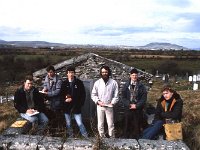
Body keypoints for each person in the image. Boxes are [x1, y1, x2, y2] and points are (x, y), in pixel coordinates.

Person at [91, 65, 119, 138]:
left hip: (109, 106)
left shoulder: (113, 83)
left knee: (110, 124)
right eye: (103, 72)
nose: (104, 73)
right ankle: (102, 139)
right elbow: (93, 95)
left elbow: (116, 95)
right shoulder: (97, 83)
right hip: (100, 106)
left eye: (106, 72)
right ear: (101, 73)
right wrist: (98, 101)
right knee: (100, 124)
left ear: (108, 72)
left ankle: (112, 139)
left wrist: (112, 103)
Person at [60, 66, 88, 138]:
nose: (71, 74)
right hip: (67, 107)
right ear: (67, 74)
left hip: (76, 107)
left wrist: (80, 104)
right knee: (68, 123)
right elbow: (61, 95)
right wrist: (65, 100)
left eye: (72, 72)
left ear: (74, 73)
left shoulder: (79, 83)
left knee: (80, 123)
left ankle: (86, 137)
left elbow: (83, 95)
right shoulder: (64, 83)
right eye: (69, 72)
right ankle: (71, 137)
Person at [122, 68, 147, 139]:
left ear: (137, 76)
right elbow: (123, 97)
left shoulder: (141, 86)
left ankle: (136, 138)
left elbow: (143, 98)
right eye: (133, 75)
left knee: (136, 124)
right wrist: (129, 104)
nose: (134, 77)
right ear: (130, 76)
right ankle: (125, 137)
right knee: (127, 124)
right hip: (128, 108)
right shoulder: (126, 85)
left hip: (137, 109)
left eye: (136, 75)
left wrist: (136, 105)